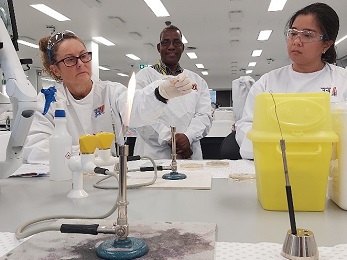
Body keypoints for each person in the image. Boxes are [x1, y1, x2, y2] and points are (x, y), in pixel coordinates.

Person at [23, 30, 194, 164]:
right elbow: (36, 150)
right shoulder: (48, 101)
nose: (80, 63)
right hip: (67, 180)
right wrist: (88, 153)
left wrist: (161, 93)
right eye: (70, 59)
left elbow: (134, 109)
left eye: (83, 56)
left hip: (107, 178)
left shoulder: (110, 91)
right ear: (55, 70)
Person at [235, 2, 347, 159]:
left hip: (330, 169)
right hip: (276, 166)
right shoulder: (268, 82)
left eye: (307, 35)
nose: (296, 41)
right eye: (293, 33)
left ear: (326, 45)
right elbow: (246, 126)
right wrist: (275, 149)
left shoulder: (342, 81)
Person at [133, 25, 212, 160]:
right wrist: (170, 138)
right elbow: (140, 115)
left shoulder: (197, 80)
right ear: (159, 47)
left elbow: (204, 116)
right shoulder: (144, 77)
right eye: (165, 42)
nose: (171, 47)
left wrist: (188, 137)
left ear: (182, 47)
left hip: (189, 152)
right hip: (153, 156)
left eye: (176, 42)